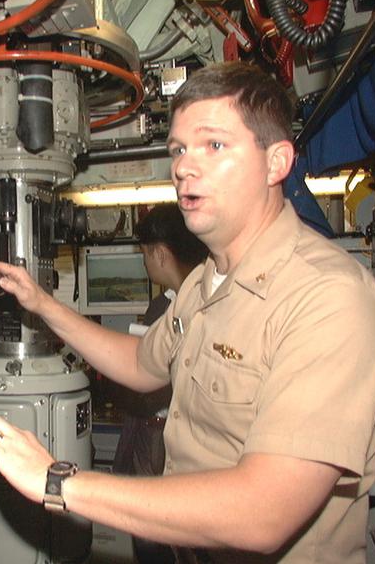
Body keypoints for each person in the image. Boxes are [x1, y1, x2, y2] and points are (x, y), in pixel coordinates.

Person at [0, 61, 375, 563]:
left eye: (214, 145)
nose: (183, 167)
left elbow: (264, 512)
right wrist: (42, 304)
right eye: (178, 149)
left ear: (276, 162)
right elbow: (140, 365)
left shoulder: (329, 299)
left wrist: (58, 481)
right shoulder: (205, 282)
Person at [111, 204, 208, 564]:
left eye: (144, 254)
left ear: (161, 253)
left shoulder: (175, 310)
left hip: (160, 439)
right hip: (164, 436)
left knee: (157, 540)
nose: (144, 263)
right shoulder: (168, 305)